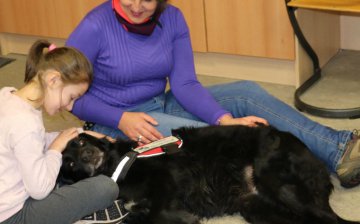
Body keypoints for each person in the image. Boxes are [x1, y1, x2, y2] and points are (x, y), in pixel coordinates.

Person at [66, 0, 360, 188]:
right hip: (112, 120)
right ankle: (294, 173)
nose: (137, 6)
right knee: (208, 141)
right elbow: (69, 95)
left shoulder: (174, 18)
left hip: (159, 103)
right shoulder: (94, 25)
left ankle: (338, 150)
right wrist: (120, 118)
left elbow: (184, 84)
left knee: (245, 93)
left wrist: (223, 119)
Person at [0, 40, 119, 224]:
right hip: (13, 216)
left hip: (8, 198)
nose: (70, 106)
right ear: (53, 80)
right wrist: (55, 149)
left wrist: (78, 133)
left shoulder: (10, 96)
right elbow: (39, 189)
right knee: (105, 188)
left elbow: (30, 142)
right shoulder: (25, 123)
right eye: (71, 97)